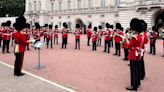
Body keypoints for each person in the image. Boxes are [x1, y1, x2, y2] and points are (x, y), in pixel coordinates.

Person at [126, 18, 143, 91]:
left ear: (135, 29)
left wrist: (126, 40)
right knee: (137, 69)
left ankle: (134, 86)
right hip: (138, 54)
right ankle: (138, 83)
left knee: (134, 71)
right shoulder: (139, 36)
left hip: (133, 54)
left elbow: (129, 46)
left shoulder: (134, 37)